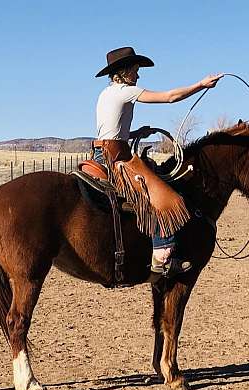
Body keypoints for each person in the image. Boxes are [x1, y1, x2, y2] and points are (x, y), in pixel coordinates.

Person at [94, 46, 223, 276]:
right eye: (135, 70)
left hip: (102, 151)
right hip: (116, 158)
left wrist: (134, 133)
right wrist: (200, 85)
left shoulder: (106, 93)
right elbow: (170, 97)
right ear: (123, 72)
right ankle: (162, 254)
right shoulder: (125, 91)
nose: (138, 75)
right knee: (162, 196)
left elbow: (110, 132)